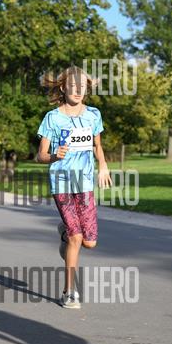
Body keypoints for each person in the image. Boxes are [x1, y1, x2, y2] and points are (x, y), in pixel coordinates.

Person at [37, 65, 112, 309]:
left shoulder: (93, 115)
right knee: (76, 237)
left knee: (90, 242)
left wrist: (103, 166)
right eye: (73, 86)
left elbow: (97, 146)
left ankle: (64, 233)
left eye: (82, 87)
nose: (78, 91)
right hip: (61, 182)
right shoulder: (52, 118)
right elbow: (40, 155)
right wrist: (54, 156)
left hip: (85, 182)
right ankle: (69, 292)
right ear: (63, 88)